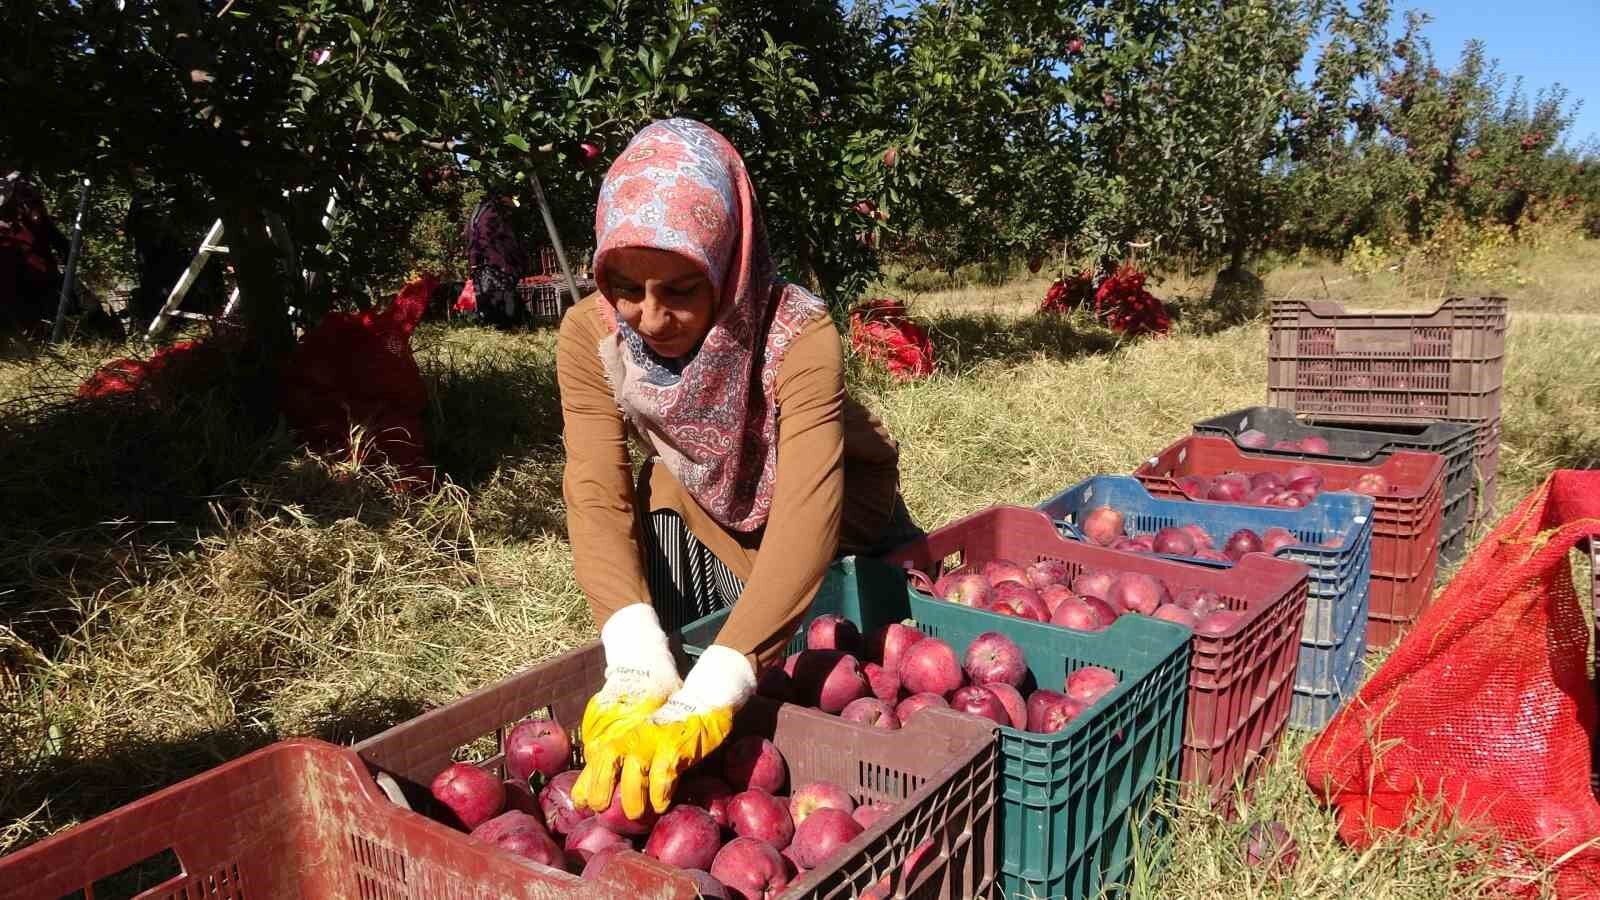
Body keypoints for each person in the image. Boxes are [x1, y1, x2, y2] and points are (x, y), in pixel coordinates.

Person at [557, 118, 914, 822]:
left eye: (682, 289)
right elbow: (597, 490)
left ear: (728, 264)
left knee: (823, 645)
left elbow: (808, 512)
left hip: (836, 513)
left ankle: (736, 652)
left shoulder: (798, 335)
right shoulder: (591, 336)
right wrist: (631, 646)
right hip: (699, 496)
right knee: (661, 505)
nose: (650, 317)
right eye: (625, 286)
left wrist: (722, 679)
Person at [0, 164, 70, 331]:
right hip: (13, 286)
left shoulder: (27, 201)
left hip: (41, 278)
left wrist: (65, 249)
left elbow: (48, 229)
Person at [464, 191, 531, 328]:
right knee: (500, 297)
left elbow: (472, 237)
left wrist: (474, 263)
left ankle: (497, 322)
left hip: (484, 264)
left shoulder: (480, 211)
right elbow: (496, 239)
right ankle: (507, 323)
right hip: (496, 265)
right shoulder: (494, 212)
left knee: (492, 297)